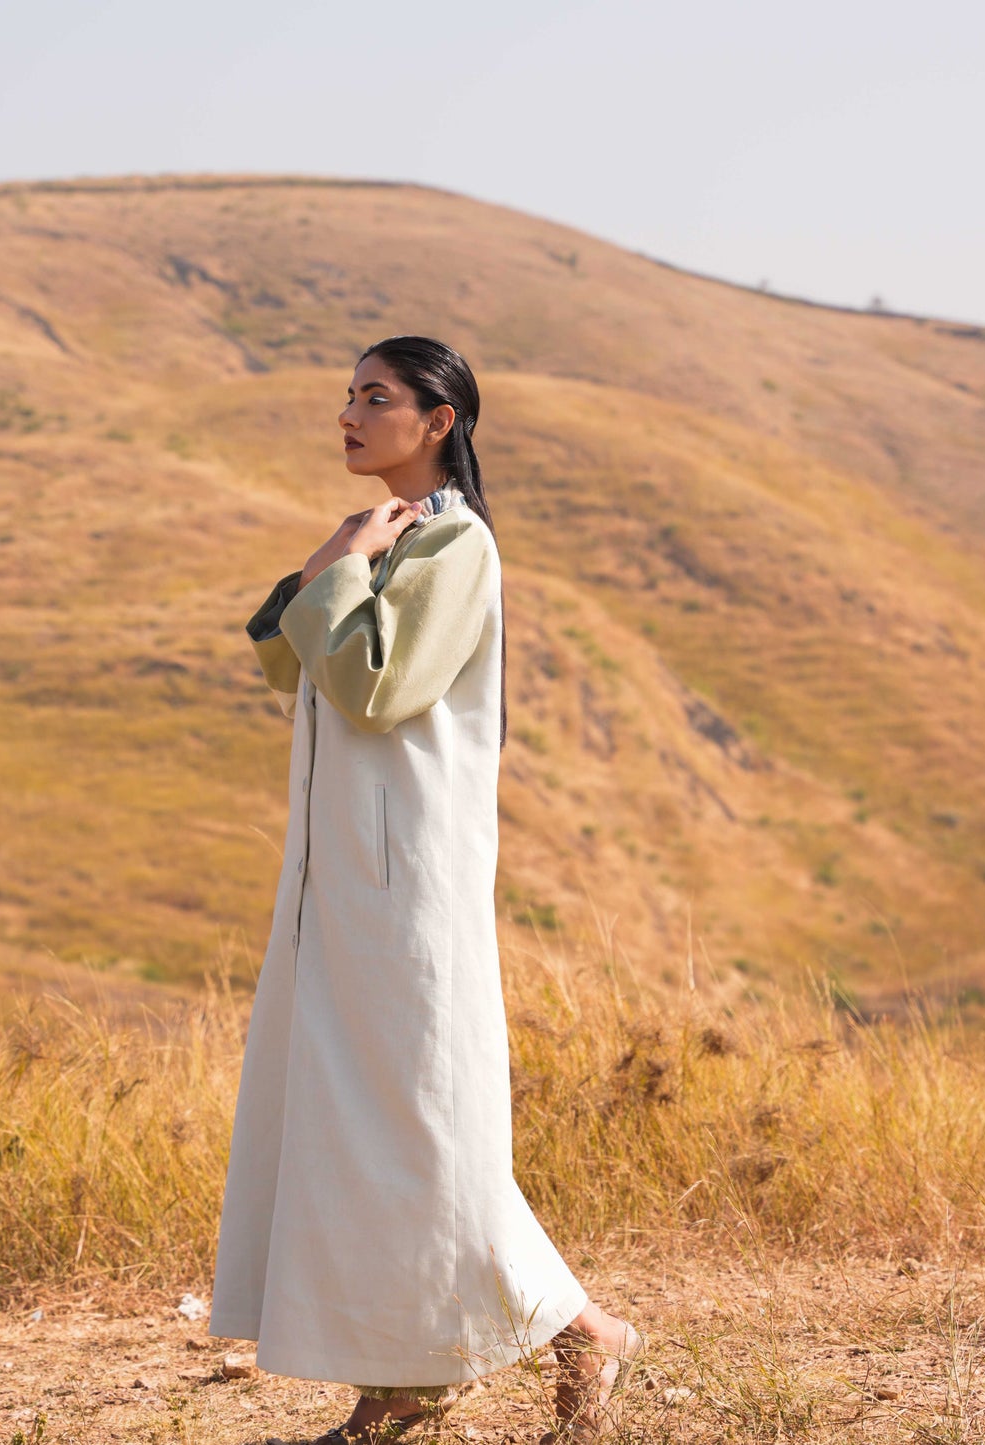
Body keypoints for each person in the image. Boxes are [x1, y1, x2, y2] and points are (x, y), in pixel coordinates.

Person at [208, 335, 642, 1444]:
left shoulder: (456, 543)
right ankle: (404, 1378)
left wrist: (344, 565)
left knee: (415, 1126)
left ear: (438, 419)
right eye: (347, 395)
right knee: (356, 1124)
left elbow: (374, 687)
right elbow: (283, 658)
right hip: (343, 882)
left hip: (405, 885)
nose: (348, 414)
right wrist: (336, 554)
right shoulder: (392, 535)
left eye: (375, 396)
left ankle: (575, 1332)